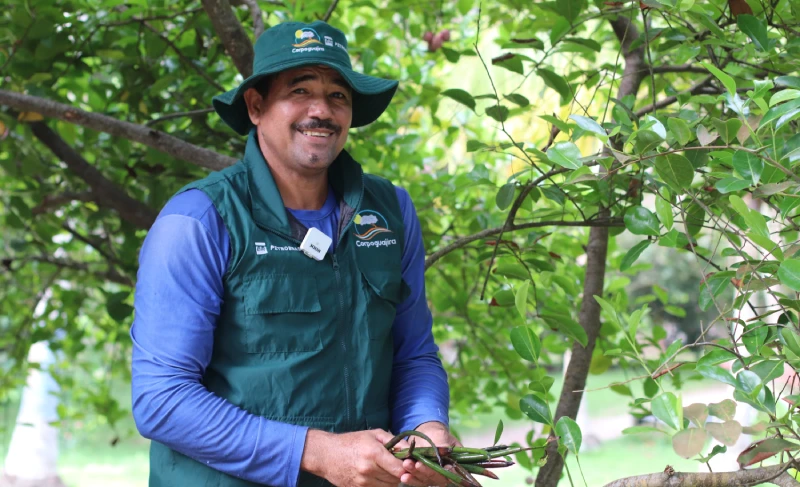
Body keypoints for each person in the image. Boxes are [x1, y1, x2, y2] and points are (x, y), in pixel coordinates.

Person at [131, 20, 456, 487]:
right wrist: (317, 452)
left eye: (337, 95)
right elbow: (161, 400)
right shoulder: (197, 221)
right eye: (300, 90)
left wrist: (426, 429)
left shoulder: (388, 212)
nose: (320, 110)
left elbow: (414, 355)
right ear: (257, 105)